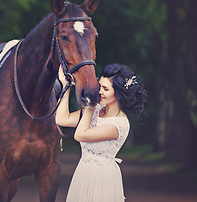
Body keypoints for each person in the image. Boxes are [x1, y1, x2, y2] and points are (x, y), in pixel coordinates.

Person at [55, 63, 147, 202]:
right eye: (100, 86)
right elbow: (62, 119)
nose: (99, 92)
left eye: (105, 89)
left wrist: (90, 107)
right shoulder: (97, 110)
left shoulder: (119, 124)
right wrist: (66, 86)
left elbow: (80, 135)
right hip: (83, 173)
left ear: (118, 94)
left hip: (102, 179)